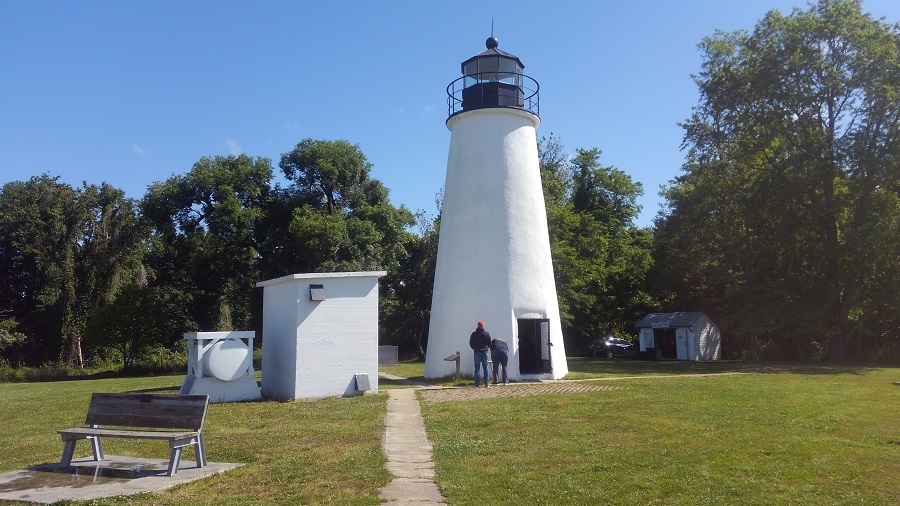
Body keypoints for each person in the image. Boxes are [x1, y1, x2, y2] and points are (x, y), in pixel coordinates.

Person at [469, 321, 491, 387]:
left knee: (477, 369)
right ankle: (486, 384)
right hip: (485, 352)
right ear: (483, 326)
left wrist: (474, 348)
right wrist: (487, 348)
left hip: (477, 352)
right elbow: (489, 343)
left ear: (477, 326)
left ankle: (476, 384)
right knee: (486, 368)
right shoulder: (486, 333)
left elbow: (471, 343)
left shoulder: (474, 334)